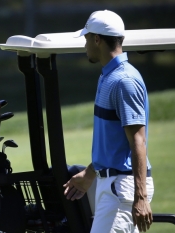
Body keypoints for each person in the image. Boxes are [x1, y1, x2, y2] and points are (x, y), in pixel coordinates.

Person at [63, 10, 154, 233]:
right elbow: (114, 144)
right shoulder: (108, 76)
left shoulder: (124, 81)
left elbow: (138, 142)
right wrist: (90, 173)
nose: (84, 44)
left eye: (86, 38)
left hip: (122, 188)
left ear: (97, 39)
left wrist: (140, 197)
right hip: (112, 185)